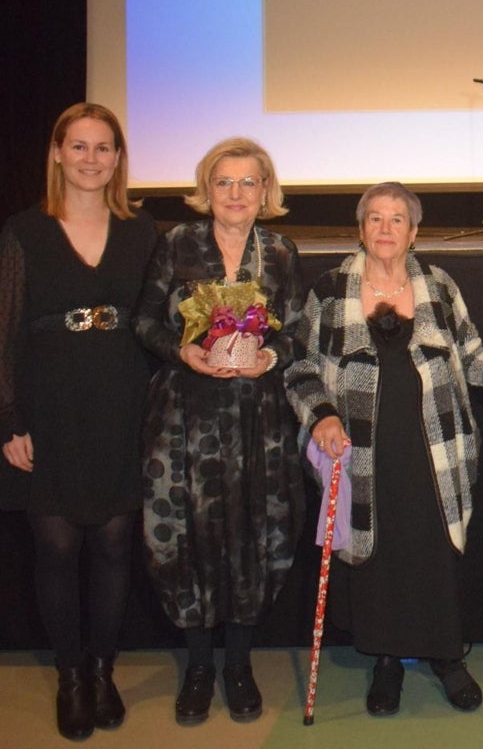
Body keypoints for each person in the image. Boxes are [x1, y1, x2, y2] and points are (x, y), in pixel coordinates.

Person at [285, 181, 483, 715]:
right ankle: (387, 661)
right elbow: (300, 366)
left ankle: (448, 657)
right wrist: (323, 415)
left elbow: (473, 354)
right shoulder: (330, 290)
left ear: (414, 232)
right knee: (377, 553)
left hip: (435, 444)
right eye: (374, 218)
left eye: (396, 219)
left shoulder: (440, 285)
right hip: (361, 447)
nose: (385, 229)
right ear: (360, 228)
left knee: (436, 550)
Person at [0, 103, 157, 740]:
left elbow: (161, 325)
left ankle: (102, 672)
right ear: (58, 154)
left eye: (104, 148)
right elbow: (3, 330)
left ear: (118, 159)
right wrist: (9, 419)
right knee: (59, 547)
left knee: (117, 545)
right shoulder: (23, 231)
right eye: (80, 146)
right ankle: (70, 675)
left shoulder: (146, 232)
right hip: (48, 405)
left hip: (123, 402)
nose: (91, 159)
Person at [135, 137, 305, 725]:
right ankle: (200, 664)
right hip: (186, 417)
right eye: (224, 183)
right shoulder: (176, 244)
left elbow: (298, 331)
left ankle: (238, 663)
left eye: (247, 183)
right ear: (207, 190)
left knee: (253, 536)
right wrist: (182, 351)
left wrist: (272, 357)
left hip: (259, 420)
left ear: (265, 192)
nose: (236, 194)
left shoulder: (281, 252)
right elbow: (143, 322)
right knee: (188, 538)